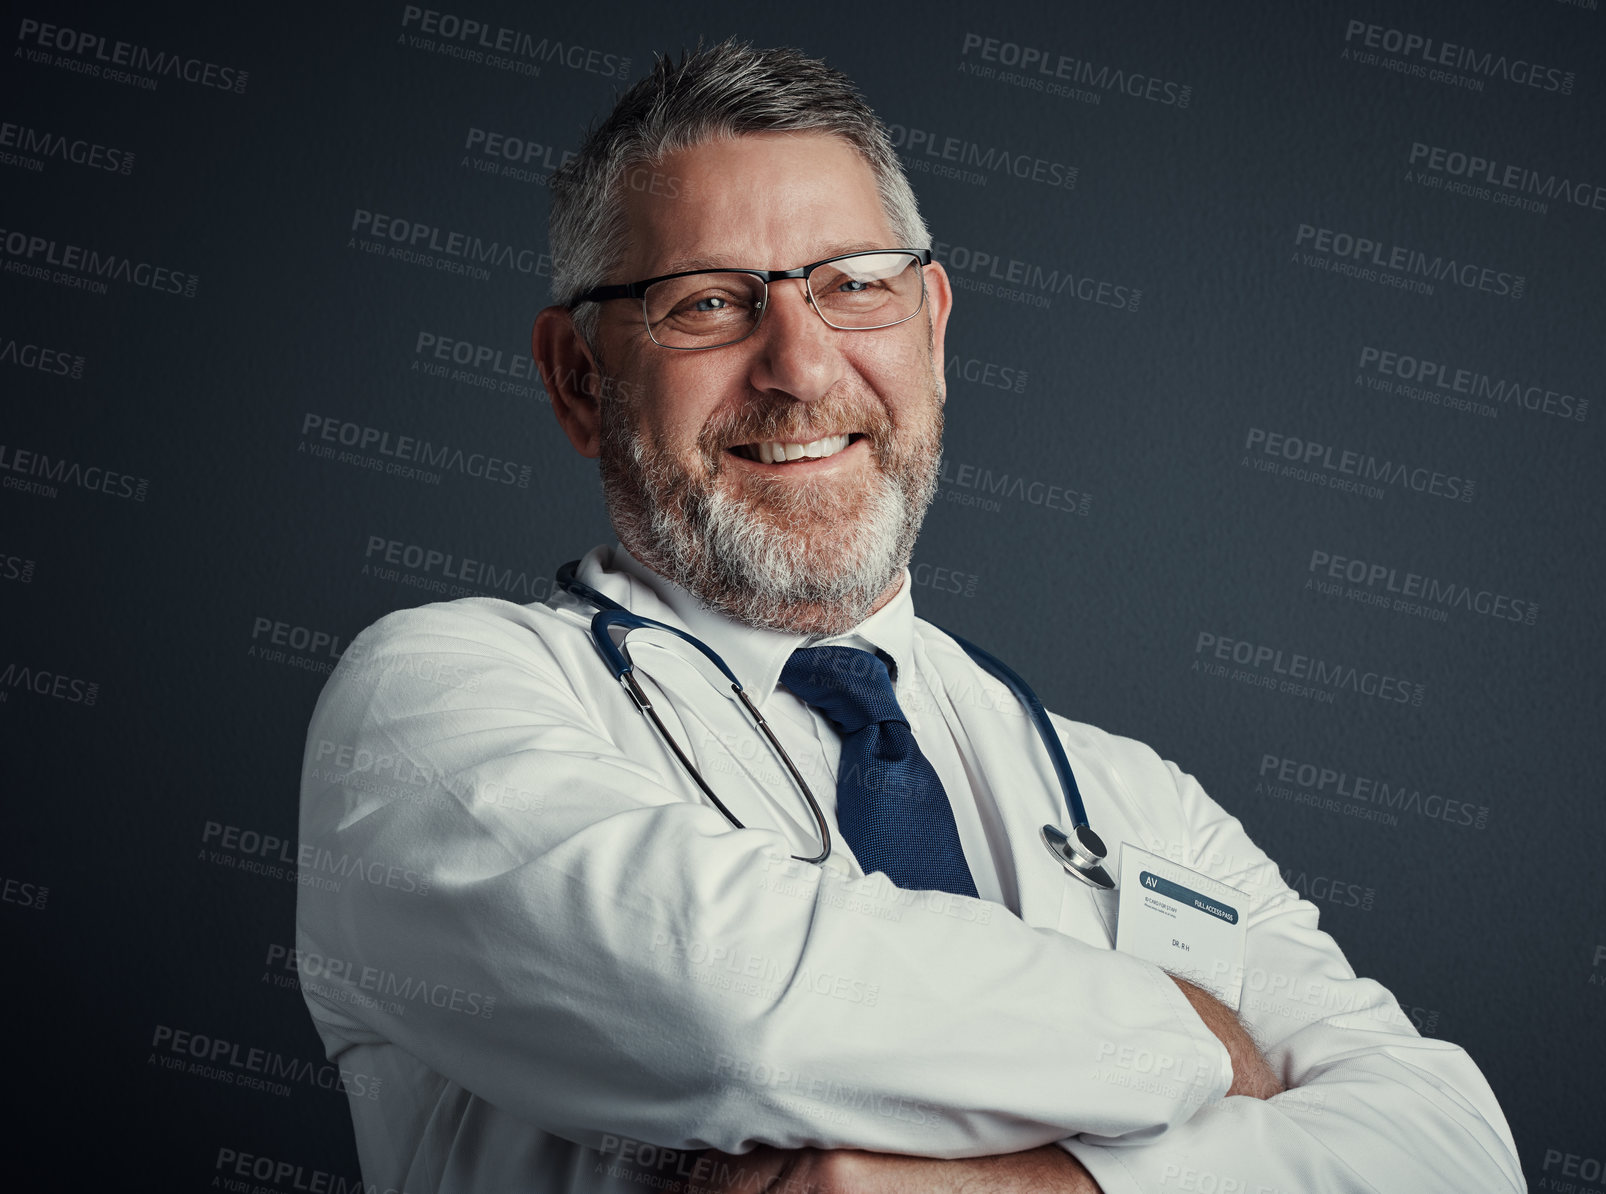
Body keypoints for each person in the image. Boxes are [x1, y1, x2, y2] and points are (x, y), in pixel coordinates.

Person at [296, 40, 1526, 1194]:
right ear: (579, 378)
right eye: (709, 303)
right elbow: (737, 1016)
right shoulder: (431, 700)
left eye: (854, 288)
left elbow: (1457, 1156)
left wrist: (1050, 1190)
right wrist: (1207, 1036)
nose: (802, 366)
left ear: (933, 333)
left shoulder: (1136, 800)